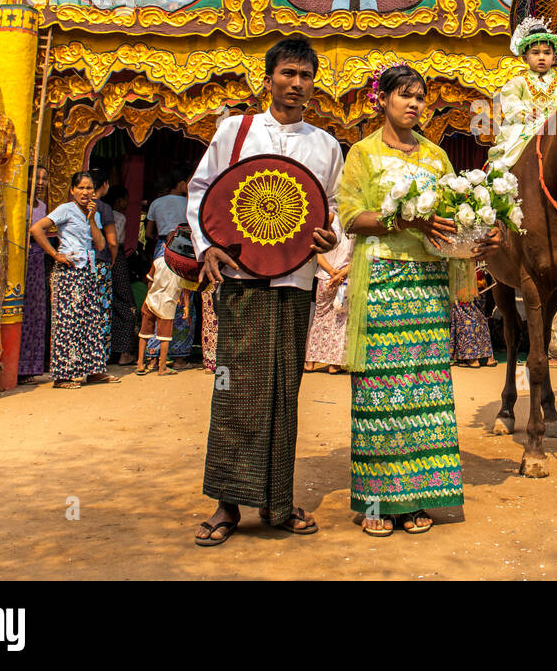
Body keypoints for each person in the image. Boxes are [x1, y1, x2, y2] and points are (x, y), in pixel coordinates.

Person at [188, 38, 342, 546]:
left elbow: (333, 209)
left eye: (305, 76)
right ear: (269, 77)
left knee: (283, 391)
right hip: (241, 282)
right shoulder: (236, 130)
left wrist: (330, 236)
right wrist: (207, 245)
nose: (297, 84)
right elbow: (202, 192)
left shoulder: (325, 145)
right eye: (288, 74)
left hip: (296, 282)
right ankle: (227, 504)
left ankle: (278, 502)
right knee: (234, 389)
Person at [340, 64, 499, 536]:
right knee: (380, 393)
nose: (413, 104)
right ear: (382, 100)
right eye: (404, 95)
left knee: (424, 395)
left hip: (428, 284)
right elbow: (350, 216)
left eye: (420, 97)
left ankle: (415, 500)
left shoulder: (436, 158)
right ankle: (379, 504)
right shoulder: (362, 153)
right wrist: (403, 221)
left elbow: (453, 219)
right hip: (383, 283)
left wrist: (480, 240)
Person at [28, 172, 121, 389]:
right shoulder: (65, 209)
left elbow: (100, 245)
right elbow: (37, 229)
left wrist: (91, 220)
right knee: (68, 324)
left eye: (89, 188)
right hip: (68, 271)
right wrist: (55, 254)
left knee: (91, 321)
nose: (85, 192)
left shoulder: (94, 213)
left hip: (88, 269)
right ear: (72, 190)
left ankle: (94, 371)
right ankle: (63, 375)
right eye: (81, 188)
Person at [485, 16, 557, 171]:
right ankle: (501, 179)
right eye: (535, 53)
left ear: (554, 58)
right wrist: (523, 114)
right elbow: (510, 100)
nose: (541, 57)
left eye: (547, 53)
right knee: (511, 151)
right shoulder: (519, 81)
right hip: (528, 125)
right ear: (525, 58)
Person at [18, 166, 49, 382]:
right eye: (35, 177)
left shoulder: (44, 207)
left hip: (38, 257)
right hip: (21, 254)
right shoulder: (19, 203)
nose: (40, 182)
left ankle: (30, 367)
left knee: (36, 310)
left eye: (44, 178)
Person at [305, 232, 352, 374]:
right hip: (344, 279)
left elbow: (318, 255)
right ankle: (334, 364)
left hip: (324, 277)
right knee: (340, 319)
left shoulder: (327, 231)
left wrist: (331, 272)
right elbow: (356, 260)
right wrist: (339, 275)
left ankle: (310, 362)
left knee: (319, 316)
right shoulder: (354, 235)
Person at [134, 257, 184, 377]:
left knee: (144, 334)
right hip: (168, 303)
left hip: (151, 300)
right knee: (165, 337)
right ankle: (162, 368)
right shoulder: (182, 266)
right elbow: (185, 289)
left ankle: (140, 364)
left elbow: (150, 281)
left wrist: (151, 294)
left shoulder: (158, 261)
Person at [106, 184, 137, 365]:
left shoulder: (99, 214)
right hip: (115, 258)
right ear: (119, 201)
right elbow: (116, 241)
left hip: (102, 259)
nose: (127, 203)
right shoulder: (118, 217)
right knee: (126, 304)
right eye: (126, 199)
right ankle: (124, 352)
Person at [89, 169, 119, 365]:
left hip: (80, 261)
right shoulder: (104, 208)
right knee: (101, 309)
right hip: (100, 261)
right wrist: (113, 259)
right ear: (105, 185)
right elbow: (112, 242)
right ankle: (99, 357)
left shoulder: (73, 206)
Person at [146, 172, 189, 259]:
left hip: (162, 247)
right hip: (185, 248)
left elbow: (148, 233)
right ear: (181, 184)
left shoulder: (156, 203)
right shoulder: (189, 203)